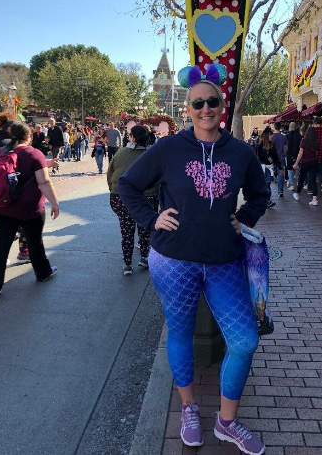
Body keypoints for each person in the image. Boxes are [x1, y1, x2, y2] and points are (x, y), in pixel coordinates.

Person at [118, 64, 268, 455]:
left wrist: (244, 219)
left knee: (245, 341)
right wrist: (152, 220)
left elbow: (260, 193)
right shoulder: (168, 148)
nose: (206, 109)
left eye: (212, 102)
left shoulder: (241, 152)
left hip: (223, 261)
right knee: (180, 333)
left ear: (223, 105)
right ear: (188, 108)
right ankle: (188, 408)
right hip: (174, 260)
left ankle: (226, 421)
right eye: (198, 103)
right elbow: (128, 184)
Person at [0, 121, 59, 299]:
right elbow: (43, 182)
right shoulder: (33, 153)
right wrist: (54, 202)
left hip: (2, 207)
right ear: (28, 137)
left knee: (0, 246)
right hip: (29, 208)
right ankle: (43, 273)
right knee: (34, 241)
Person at [107, 125, 159, 275]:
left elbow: (110, 173)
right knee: (145, 228)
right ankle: (144, 257)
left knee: (127, 230)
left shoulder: (121, 152)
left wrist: (113, 190)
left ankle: (127, 264)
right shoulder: (152, 153)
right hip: (148, 195)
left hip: (121, 196)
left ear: (132, 137)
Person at [292, 125, 319, 205]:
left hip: (305, 162)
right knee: (313, 180)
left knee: (301, 179)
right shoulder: (316, 142)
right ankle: (314, 199)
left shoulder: (303, 141)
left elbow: (300, 153)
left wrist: (296, 163)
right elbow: (316, 152)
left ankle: (297, 194)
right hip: (314, 161)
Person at [257, 127, 278, 209]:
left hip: (269, 167)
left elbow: (275, 156)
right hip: (263, 167)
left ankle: (266, 201)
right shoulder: (260, 146)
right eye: (270, 135)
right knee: (266, 184)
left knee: (268, 184)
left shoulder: (272, 145)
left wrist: (273, 160)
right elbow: (259, 157)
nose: (272, 136)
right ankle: (265, 201)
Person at [272, 122, 288, 197]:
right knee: (281, 174)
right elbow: (286, 148)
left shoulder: (271, 137)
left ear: (274, 127)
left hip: (272, 158)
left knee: (271, 173)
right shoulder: (283, 137)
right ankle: (280, 190)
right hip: (281, 157)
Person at [286, 122, 302, 191]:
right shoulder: (299, 136)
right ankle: (299, 182)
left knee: (290, 169)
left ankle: (291, 184)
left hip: (289, 154)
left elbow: (286, 146)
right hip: (297, 154)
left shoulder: (287, 136)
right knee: (297, 169)